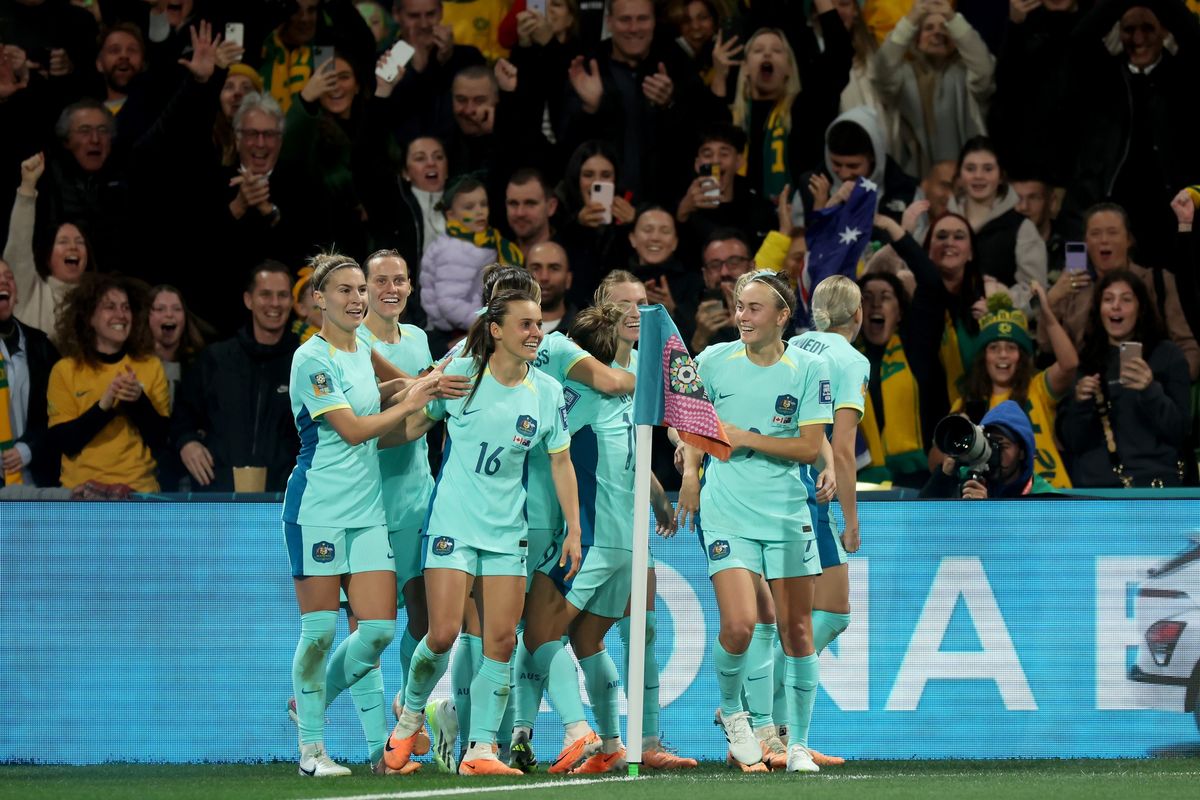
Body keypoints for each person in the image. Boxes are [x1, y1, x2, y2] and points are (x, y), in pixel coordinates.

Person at [383, 289, 583, 777]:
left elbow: (561, 463)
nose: (537, 333)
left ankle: (480, 752)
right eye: (526, 325)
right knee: (445, 632)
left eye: (539, 325)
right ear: (496, 330)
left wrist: (574, 528)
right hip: (452, 522)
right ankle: (409, 719)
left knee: (501, 642)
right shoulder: (464, 375)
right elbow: (413, 426)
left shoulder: (547, 392)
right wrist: (368, 437)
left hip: (506, 532)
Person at [282, 252, 441, 777]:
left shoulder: (363, 348)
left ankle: (310, 701)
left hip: (368, 511)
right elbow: (352, 430)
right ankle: (311, 751)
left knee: (375, 630)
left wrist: (435, 384)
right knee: (321, 632)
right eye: (345, 291)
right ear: (318, 300)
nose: (356, 299)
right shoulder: (312, 358)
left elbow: (400, 387)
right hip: (318, 509)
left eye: (359, 291)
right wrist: (415, 396)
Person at [677, 270, 833, 773]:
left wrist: (747, 438)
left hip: (787, 512)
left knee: (797, 630)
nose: (742, 316)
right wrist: (691, 475)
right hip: (727, 511)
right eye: (739, 307)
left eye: (754, 308)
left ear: (783, 315)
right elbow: (690, 425)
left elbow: (810, 446)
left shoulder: (809, 368)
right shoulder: (713, 360)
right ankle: (735, 714)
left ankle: (800, 744)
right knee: (741, 625)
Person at [517, 297, 676, 776]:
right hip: (628, 543)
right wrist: (660, 498)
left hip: (594, 540)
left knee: (536, 637)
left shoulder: (576, 395)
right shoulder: (629, 401)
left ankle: (559, 733)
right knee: (588, 639)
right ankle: (612, 744)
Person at [787, 275, 869, 766]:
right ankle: (771, 702)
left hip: (764, 483)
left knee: (789, 613)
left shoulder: (792, 342)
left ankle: (775, 724)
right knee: (832, 611)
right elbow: (842, 446)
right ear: (857, 316)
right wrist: (851, 519)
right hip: (806, 489)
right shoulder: (850, 359)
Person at [172, 262, 301, 494]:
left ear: (291, 302)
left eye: (282, 295)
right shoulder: (216, 358)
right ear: (248, 300)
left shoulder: (305, 362)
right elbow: (182, 414)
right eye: (265, 294)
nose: (274, 303)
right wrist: (187, 442)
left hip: (285, 499)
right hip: (217, 498)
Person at [1056, 270, 1191, 487]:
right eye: (1108, 299)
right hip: (1099, 488)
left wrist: (1150, 390)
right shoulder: (1085, 361)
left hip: (1157, 486)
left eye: (1126, 299)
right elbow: (1073, 442)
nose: (1116, 306)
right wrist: (1080, 404)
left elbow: (1180, 431)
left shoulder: (1167, 355)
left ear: (1141, 308)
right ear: (1099, 309)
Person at [1042, 203, 1200, 381]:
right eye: (1095, 234)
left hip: (1150, 394)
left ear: (1129, 239)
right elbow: (1047, 346)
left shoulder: (1158, 282)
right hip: (1088, 394)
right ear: (1085, 242)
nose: (1103, 240)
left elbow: (1188, 345)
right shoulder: (1072, 289)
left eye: (1112, 232)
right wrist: (1051, 301)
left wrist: (1170, 388)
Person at [939, 291, 1078, 489]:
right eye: (994, 347)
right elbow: (937, 460)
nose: (1002, 355)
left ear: (1021, 357)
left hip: (1050, 492)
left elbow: (1069, 364)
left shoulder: (1037, 388)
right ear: (983, 357)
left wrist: (1046, 313)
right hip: (1001, 498)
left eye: (1011, 347)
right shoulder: (967, 402)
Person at [717, 2, 854, 200]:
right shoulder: (729, 118)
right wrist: (719, 78)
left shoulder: (806, 110)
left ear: (790, 68)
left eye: (777, 50)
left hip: (796, 222)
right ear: (745, 67)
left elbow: (839, 56)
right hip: (738, 222)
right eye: (758, 50)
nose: (767, 54)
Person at [46, 275, 169, 493]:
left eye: (125, 307)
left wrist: (137, 401)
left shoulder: (151, 366)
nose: (121, 315)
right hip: (82, 494)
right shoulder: (64, 370)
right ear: (89, 317)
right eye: (110, 307)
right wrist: (105, 405)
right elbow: (64, 442)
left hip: (139, 492)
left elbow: (161, 441)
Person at [872, 0, 994, 180]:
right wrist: (911, 19)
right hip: (916, 180)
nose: (938, 33)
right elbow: (882, 69)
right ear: (915, 38)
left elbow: (985, 69)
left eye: (945, 27)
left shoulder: (967, 73)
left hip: (969, 179)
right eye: (928, 28)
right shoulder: (903, 76)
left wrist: (952, 18)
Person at [945, 137, 1047, 315]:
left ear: (1001, 176)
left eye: (988, 169)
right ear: (960, 175)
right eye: (970, 168)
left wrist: (1000, 300)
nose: (978, 176)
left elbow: (1037, 296)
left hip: (1001, 334)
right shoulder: (943, 224)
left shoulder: (1021, 228)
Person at [421, 176, 523, 339]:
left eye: (483, 204)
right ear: (451, 215)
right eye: (469, 207)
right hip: (456, 332)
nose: (479, 211)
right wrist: (487, 323)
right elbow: (449, 304)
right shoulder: (455, 249)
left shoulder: (483, 240)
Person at [855, 271, 931, 488]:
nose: (876, 304)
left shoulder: (917, 352)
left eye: (886, 296)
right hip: (861, 479)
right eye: (866, 298)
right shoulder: (843, 357)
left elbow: (931, 285)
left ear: (899, 312)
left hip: (914, 478)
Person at [5, 152, 91, 339]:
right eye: (63, 242)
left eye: (79, 242)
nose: (73, 247)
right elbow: (19, 246)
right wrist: (27, 187)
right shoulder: (30, 292)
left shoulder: (98, 300)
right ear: (47, 256)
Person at [674, 123, 777, 260]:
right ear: (697, 163)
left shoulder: (758, 207)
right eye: (707, 154)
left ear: (739, 161)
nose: (715, 161)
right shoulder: (683, 207)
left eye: (724, 154)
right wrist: (682, 214)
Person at [0, 257, 59, 487]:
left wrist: (29, 448)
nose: (3, 283)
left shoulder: (41, 346)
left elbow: (59, 413)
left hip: (32, 481)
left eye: (8, 278)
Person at [921, 399, 1058, 497]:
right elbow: (918, 526)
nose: (993, 452)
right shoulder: (964, 479)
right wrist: (943, 476)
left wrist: (987, 514)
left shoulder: (1044, 496)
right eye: (988, 443)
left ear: (1022, 452)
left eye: (1002, 445)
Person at [556, 140, 636, 307]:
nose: (596, 183)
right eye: (588, 175)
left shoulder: (630, 214)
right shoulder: (560, 214)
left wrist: (632, 226)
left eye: (605, 175)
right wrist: (577, 225)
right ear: (576, 178)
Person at [691, 228, 755, 353]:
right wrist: (700, 341)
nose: (724, 272)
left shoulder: (774, 311)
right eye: (715, 265)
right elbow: (677, 370)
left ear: (752, 267)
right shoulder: (686, 314)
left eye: (734, 262)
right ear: (705, 275)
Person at [505, 168, 557, 255]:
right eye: (513, 204)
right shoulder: (494, 257)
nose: (520, 213)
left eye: (530, 204)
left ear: (551, 207)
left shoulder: (571, 257)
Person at [527, 241, 576, 334]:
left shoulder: (585, 331)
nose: (544, 277)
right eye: (536, 268)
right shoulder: (506, 327)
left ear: (568, 279)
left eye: (554, 268)